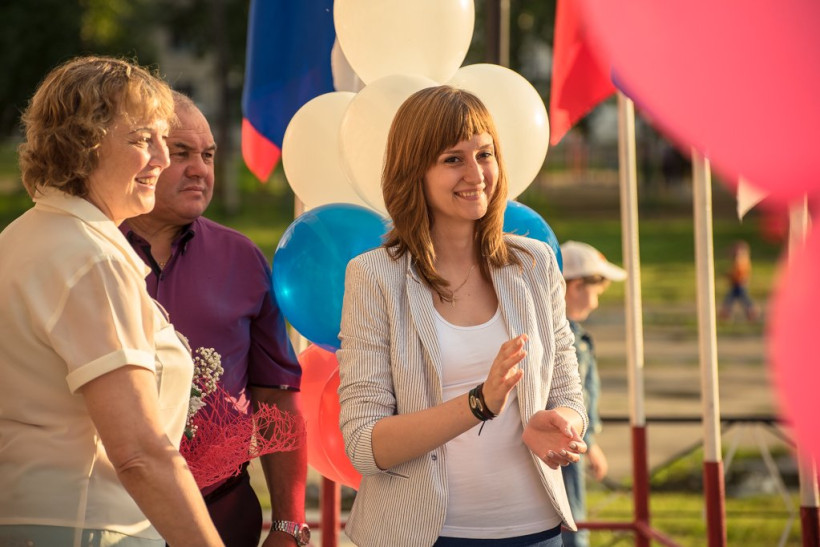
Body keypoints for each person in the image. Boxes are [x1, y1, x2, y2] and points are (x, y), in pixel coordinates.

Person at [337, 85, 588, 547]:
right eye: (453, 159)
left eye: (484, 154)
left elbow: (568, 389)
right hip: (421, 536)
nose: (476, 174)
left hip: (536, 531)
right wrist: (478, 404)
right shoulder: (373, 277)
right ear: (414, 171)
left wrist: (562, 424)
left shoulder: (535, 263)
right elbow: (364, 444)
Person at [0, 56, 222, 546]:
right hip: (90, 526)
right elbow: (140, 453)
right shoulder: (91, 259)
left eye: (163, 139)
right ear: (83, 143)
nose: (161, 158)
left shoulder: (21, 237)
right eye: (143, 140)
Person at [121, 92, 308, 547]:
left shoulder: (241, 258)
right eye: (181, 153)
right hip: (112, 514)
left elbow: (276, 395)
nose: (200, 170)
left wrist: (289, 524)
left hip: (223, 513)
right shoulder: (88, 251)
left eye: (207, 155)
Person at [559, 241, 626, 547]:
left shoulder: (571, 333)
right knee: (572, 521)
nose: (596, 303)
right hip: (568, 442)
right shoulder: (568, 338)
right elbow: (575, 397)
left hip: (567, 440)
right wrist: (591, 442)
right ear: (574, 286)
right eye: (596, 292)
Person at [718, 240, 759, 321]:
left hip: (739, 283)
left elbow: (738, 273)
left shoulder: (741, 260)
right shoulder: (740, 260)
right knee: (735, 298)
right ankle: (726, 312)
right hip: (737, 283)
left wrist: (729, 275)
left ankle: (751, 311)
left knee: (740, 298)